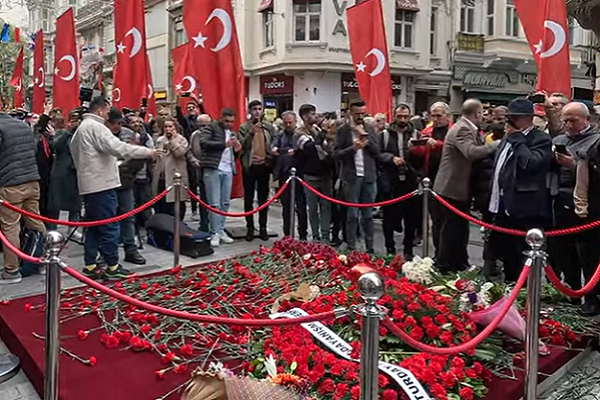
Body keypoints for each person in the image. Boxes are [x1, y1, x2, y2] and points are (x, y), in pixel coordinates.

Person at [70, 97, 157, 280]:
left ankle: (91, 264)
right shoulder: (96, 127)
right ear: (100, 111)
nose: (108, 115)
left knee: (93, 227)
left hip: (90, 184)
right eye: (107, 111)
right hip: (102, 184)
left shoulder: (81, 128)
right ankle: (112, 266)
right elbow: (118, 147)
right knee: (110, 226)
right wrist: (147, 152)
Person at [488, 98, 553, 283]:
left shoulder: (540, 139)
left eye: (515, 118)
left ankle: (523, 292)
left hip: (525, 210)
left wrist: (518, 139)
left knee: (521, 260)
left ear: (528, 118)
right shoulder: (507, 138)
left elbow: (531, 164)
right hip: (501, 207)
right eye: (509, 117)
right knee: (502, 255)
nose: (510, 122)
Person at [432, 99, 498, 272]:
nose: (483, 116)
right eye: (482, 113)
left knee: (459, 229)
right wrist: (495, 145)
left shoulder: (465, 127)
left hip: (457, 187)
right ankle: (446, 265)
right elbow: (471, 152)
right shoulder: (463, 128)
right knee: (451, 230)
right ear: (477, 113)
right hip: (452, 187)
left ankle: (460, 263)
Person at [549, 102, 600, 315]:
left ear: (586, 120)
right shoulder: (559, 140)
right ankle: (571, 291)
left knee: (588, 255)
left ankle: (592, 297)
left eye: (573, 120)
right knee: (563, 252)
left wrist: (575, 165)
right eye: (566, 120)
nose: (569, 124)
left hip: (588, 207)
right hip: (560, 202)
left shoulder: (596, 141)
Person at [0, 109, 48, 283]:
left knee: (10, 227)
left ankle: (11, 270)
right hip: (31, 180)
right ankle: (45, 260)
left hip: (9, 183)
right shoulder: (22, 126)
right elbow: (34, 150)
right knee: (35, 221)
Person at [334, 100, 380, 253]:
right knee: (352, 215)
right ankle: (351, 246)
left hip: (369, 176)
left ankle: (370, 247)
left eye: (363, 113)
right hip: (351, 177)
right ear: (350, 113)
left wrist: (365, 138)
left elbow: (377, 151)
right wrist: (353, 149)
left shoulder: (369, 128)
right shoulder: (343, 130)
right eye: (357, 114)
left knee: (368, 215)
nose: (360, 116)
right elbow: (336, 154)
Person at [378, 104, 420, 258]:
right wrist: (391, 158)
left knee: (411, 217)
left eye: (405, 116)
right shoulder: (384, 135)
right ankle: (390, 248)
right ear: (394, 116)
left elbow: (422, 158)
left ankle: (408, 248)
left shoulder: (416, 134)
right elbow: (377, 154)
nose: (402, 119)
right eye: (399, 116)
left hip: (410, 180)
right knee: (389, 217)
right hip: (391, 180)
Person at [200, 108, 241, 247]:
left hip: (228, 169)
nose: (229, 124)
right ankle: (214, 232)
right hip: (213, 168)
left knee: (225, 203)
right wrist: (224, 144)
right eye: (227, 121)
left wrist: (237, 150)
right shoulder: (211, 127)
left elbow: (232, 153)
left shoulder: (232, 133)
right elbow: (204, 143)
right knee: (214, 204)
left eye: (232, 121)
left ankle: (221, 229)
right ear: (221, 118)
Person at [295, 104, 334, 242]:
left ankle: (325, 235)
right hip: (310, 175)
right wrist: (323, 132)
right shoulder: (299, 133)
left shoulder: (317, 130)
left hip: (325, 174)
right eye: (312, 114)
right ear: (305, 117)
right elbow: (309, 148)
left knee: (326, 206)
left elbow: (327, 148)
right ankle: (316, 235)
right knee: (312, 208)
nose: (316, 116)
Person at [238, 100, 275, 242]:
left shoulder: (268, 127)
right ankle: (250, 228)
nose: (257, 112)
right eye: (254, 109)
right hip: (250, 167)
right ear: (250, 111)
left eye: (259, 109)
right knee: (248, 199)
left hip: (264, 166)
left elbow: (273, 144)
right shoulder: (244, 127)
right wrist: (251, 133)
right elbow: (242, 146)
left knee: (263, 199)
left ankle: (263, 227)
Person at [271, 111, 308, 239]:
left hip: (300, 174)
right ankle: (287, 234)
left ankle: (303, 234)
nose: (288, 125)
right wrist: (277, 150)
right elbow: (273, 147)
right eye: (285, 123)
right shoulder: (279, 135)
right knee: (286, 206)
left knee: (301, 205)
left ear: (295, 121)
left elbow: (303, 150)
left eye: (290, 122)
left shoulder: (301, 134)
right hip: (284, 174)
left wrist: (286, 151)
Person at [153, 118, 192, 220]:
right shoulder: (160, 140)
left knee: (176, 205)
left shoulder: (182, 140)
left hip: (175, 177)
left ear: (175, 127)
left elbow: (180, 153)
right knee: (161, 205)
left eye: (170, 126)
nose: (168, 129)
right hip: (162, 177)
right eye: (165, 127)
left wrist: (173, 141)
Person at [190, 114, 212, 232]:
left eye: (206, 125)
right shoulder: (195, 135)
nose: (203, 128)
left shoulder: (215, 135)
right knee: (203, 199)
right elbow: (190, 151)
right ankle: (203, 224)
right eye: (201, 126)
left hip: (213, 169)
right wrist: (194, 161)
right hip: (200, 170)